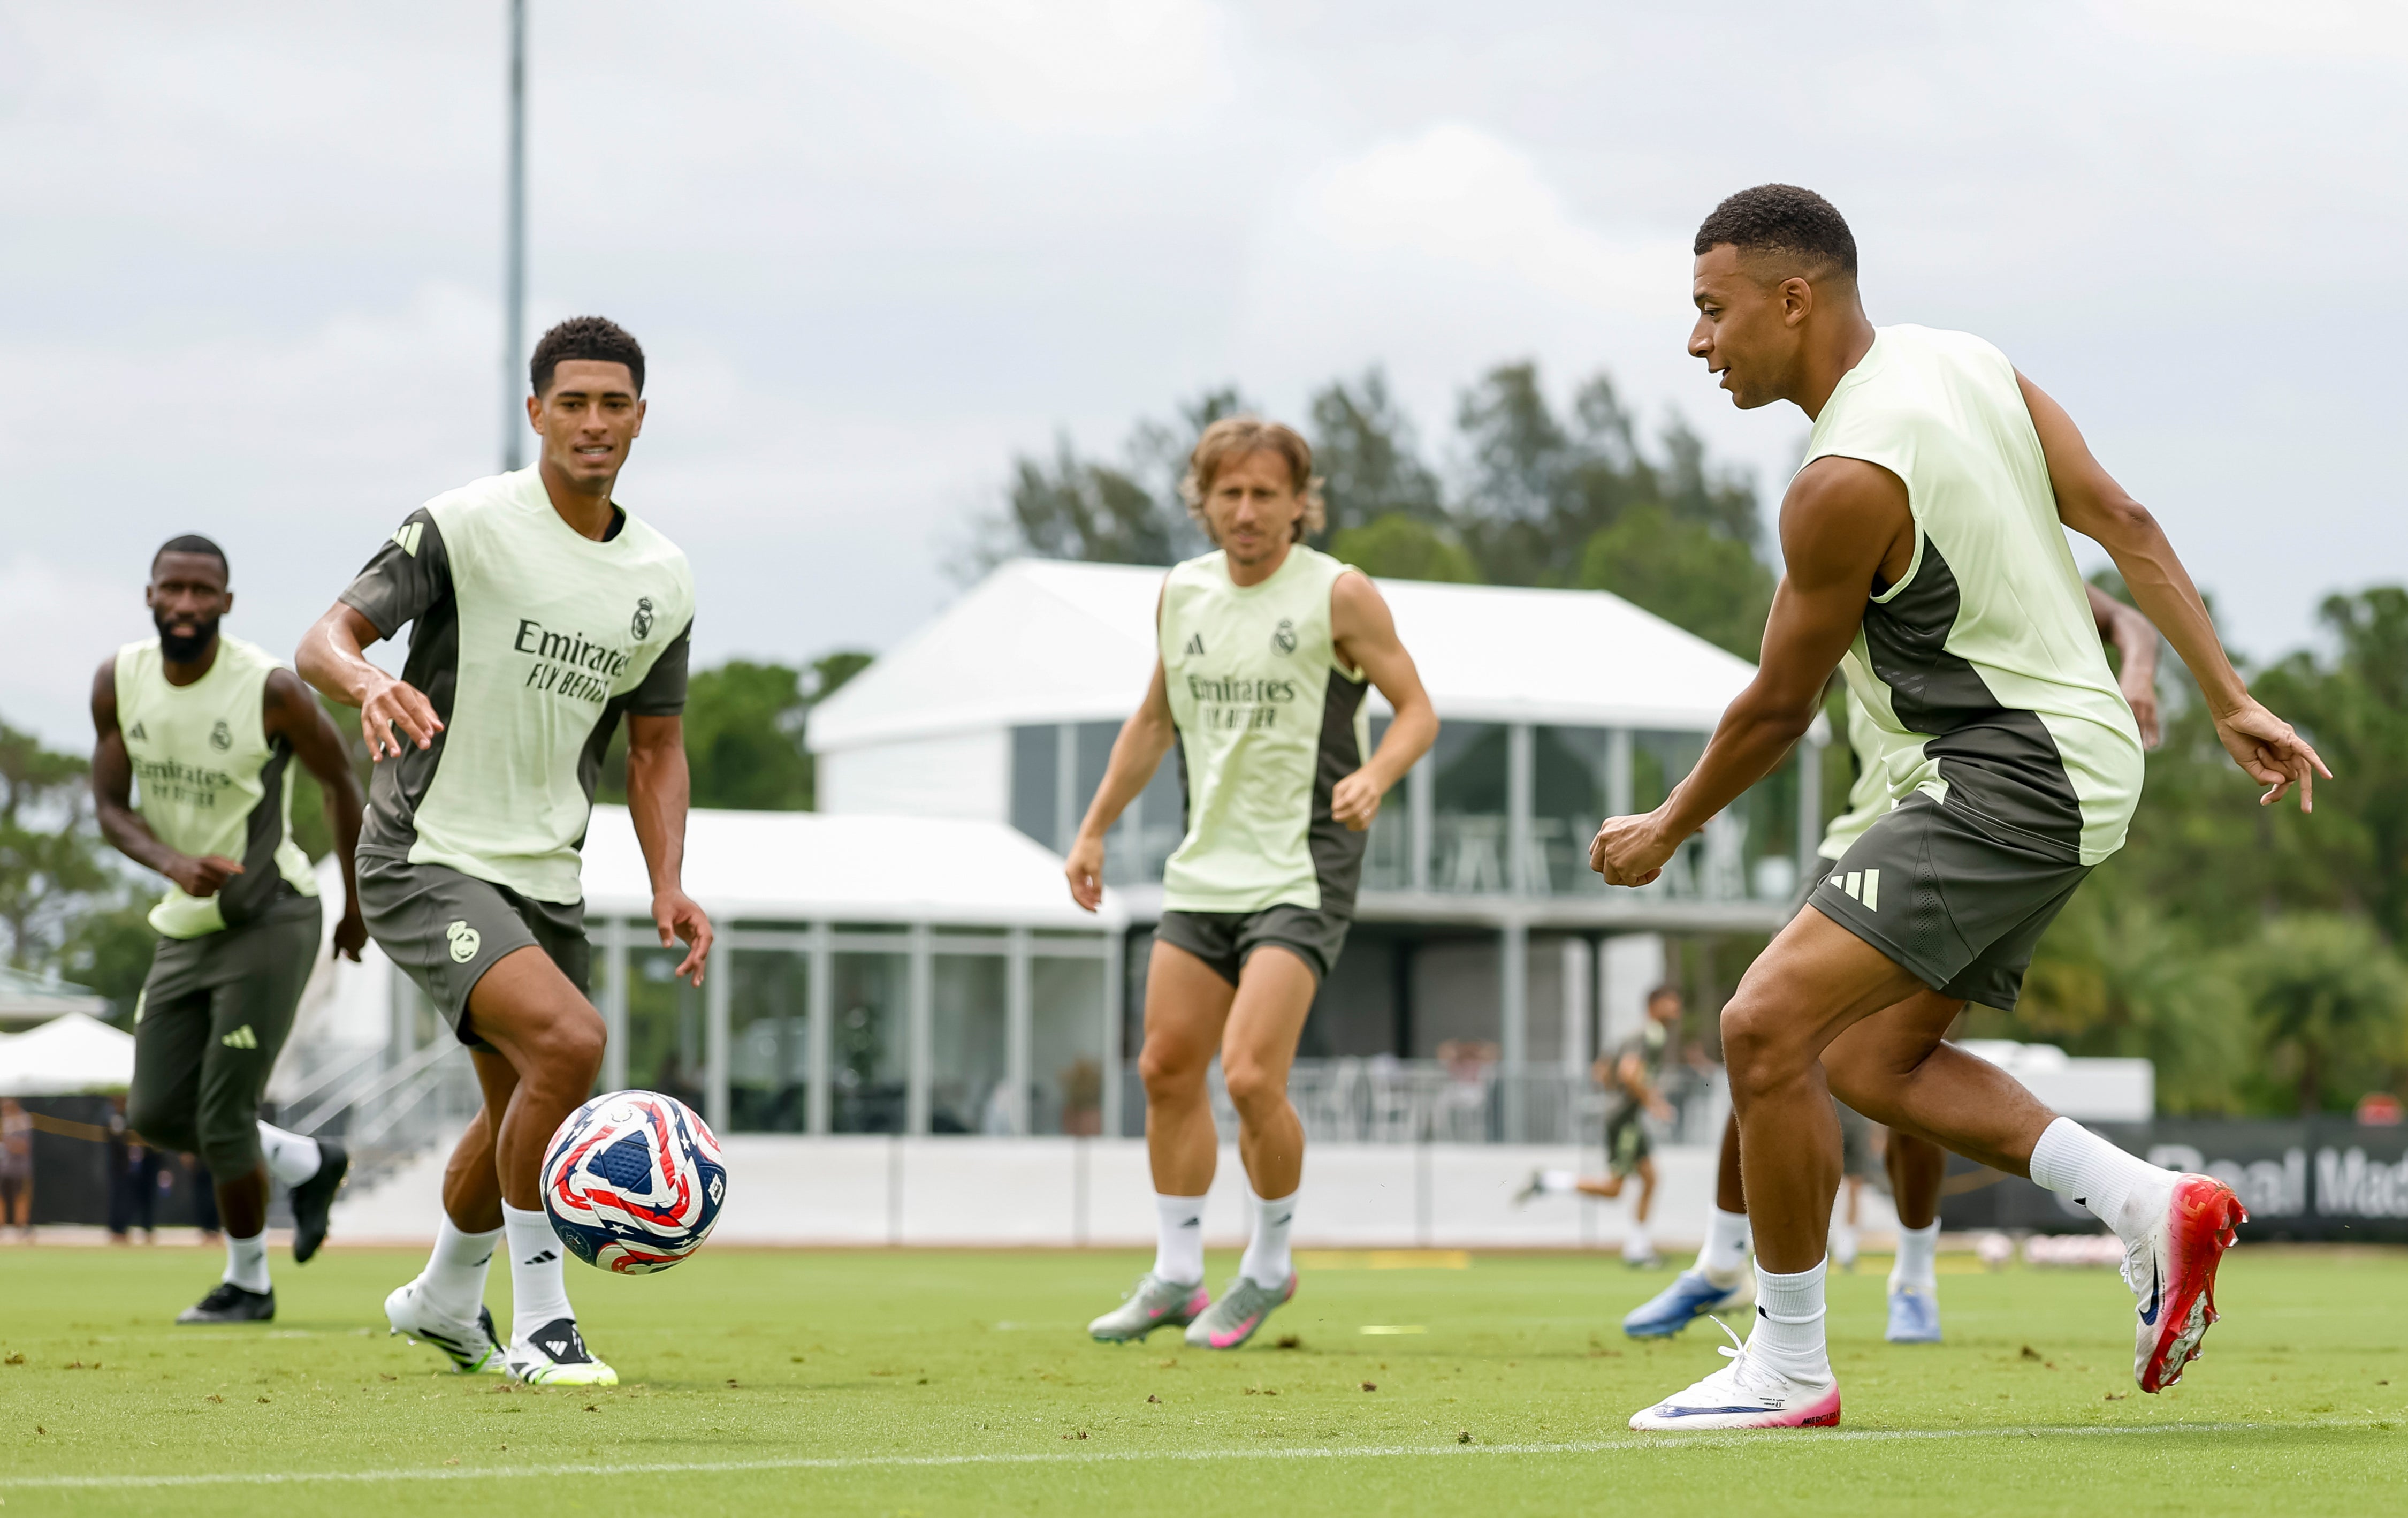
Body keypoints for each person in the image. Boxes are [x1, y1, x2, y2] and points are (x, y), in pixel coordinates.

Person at [1596, 185, 2325, 1430]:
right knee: (1864, 1059)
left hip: (2011, 770)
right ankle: (2149, 1206)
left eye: (1710, 310)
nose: (1695, 341)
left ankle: (1783, 1367)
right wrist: (2225, 696)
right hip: (2074, 757)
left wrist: (1665, 825)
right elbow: (2125, 521)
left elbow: (1776, 709)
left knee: (1762, 1028)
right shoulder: (1963, 360)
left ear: (1791, 299)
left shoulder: (1836, 481)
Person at [297, 315, 707, 1387]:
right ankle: (543, 1323)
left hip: (546, 877)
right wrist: (368, 680)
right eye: (571, 402)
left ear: (639, 419)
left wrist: (670, 881)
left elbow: (656, 745)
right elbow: (322, 639)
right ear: (536, 412)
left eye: (613, 404)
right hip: (422, 853)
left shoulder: (663, 577)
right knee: (571, 1042)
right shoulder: (467, 525)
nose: (592, 422)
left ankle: (440, 1294)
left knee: (518, 1106)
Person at [1624, 586, 2164, 1345]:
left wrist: (2137, 676)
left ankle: (1910, 1278)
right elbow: (1782, 703)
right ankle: (1724, 1263)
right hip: (1856, 842)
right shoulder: (1861, 556)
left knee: (1891, 1068)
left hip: (1958, 831)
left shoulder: (1994, 552)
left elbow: (2129, 607)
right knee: (1761, 1036)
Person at [1075, 416, 1438, 1350]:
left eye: (1266, 494)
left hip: (1304, 863)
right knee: (1163, 1068)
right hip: (1206, 866)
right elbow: (1152, 723)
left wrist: (1378, 774)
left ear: (1300, 503)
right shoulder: (1182, 594)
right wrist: (1093, 831)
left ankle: (1270, 1265)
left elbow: (1417, 711)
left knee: (1246, 1072)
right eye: (1229, 494)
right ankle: (1175, 1273)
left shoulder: (1338, 594)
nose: (1246, 512)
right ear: (1203, 502)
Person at [91, 534, 368, 1323]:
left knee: (219, 1113)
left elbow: (341, 782)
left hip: (269, 914)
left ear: (226, 603)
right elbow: (110, 808)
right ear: (150, 596)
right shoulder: (119, 681)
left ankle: (248, 1283)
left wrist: (354, 905)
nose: (185, 604)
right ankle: (309, 1162)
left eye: (201, 592)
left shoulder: (269, 689)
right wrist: (172, 861)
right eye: (171, 590)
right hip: (187, 921)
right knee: (155, 1114)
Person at [1514, 985, 1695, 1268]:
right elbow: (1628, 1072)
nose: (1676, 1009)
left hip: (1627, 1117)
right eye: (1670, 1003)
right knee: (1614, 1188)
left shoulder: (1636, 1035)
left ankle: (1638, 1248)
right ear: (1653, 1005)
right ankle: (1549, 1181)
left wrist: (1624, 1096)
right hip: (1625, 1120)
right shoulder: (1649, 1035)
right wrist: (1653, 1103)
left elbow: (1601, 1070)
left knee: (1650, 1179)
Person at [0, 1099, 33, 1240]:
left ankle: (22, 1227)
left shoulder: (23, 1120)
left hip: (20, 1168)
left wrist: (7, 1142)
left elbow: (23, 1146)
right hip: (3, 1167)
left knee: (20, 1196)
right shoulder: (4, 1120)